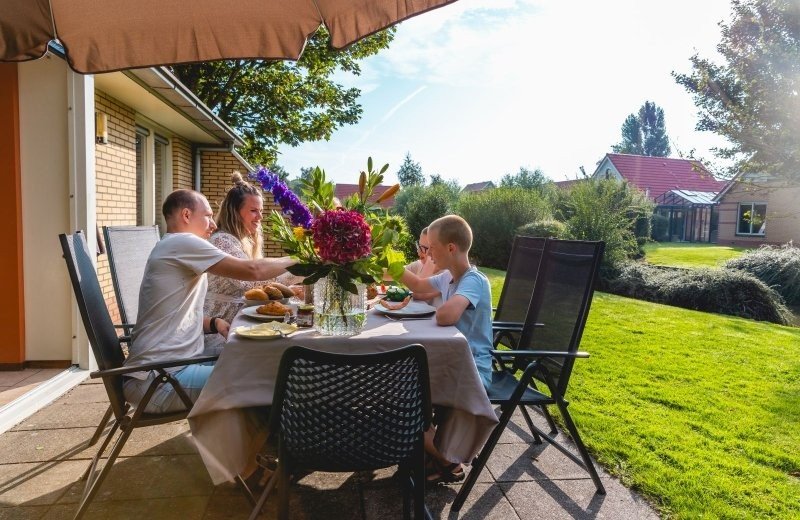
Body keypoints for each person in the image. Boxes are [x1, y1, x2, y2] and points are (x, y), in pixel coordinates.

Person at [123, 189, 295, 414]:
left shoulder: (172, 247)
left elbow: (175, 313)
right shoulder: (182, 242)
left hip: (166, 371)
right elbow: (253, 270)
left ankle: (240, 445)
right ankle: (257, 446)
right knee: (275, 377)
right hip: (159, 381)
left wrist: (213, 323)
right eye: (207, 216)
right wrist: (301, 260)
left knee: (260, 364)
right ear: (186, 215)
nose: (213, 225)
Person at [400, 214, 493, 485]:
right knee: (402, 389)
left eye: (432, 248)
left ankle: (448, 461)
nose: (427, 255)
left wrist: (438, 310)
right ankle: (433, 450)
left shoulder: (473, 280)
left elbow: (447, 316)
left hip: (472, 372)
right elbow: (417, 287)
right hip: (451, 364)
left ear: (451, 248)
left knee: (399, 398)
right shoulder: (449, 278)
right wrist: (391, 268)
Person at [204, 173, 299, 353]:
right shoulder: (222, 241)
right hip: (219, 332)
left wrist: (291, 288)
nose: (260, 217)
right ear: (234, 212)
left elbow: (262, 287)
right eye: (254, 211)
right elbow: (252, 283)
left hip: (240, 324)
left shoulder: (242, 241)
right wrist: (300, 267)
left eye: (261, 211)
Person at [404, 227, 449, 306]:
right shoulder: (419, 265)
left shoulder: (447, 274)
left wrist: (429, 262)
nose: (418, 251)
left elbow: (419, 294)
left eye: (425, 248)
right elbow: (394, 272)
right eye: (419, 245)